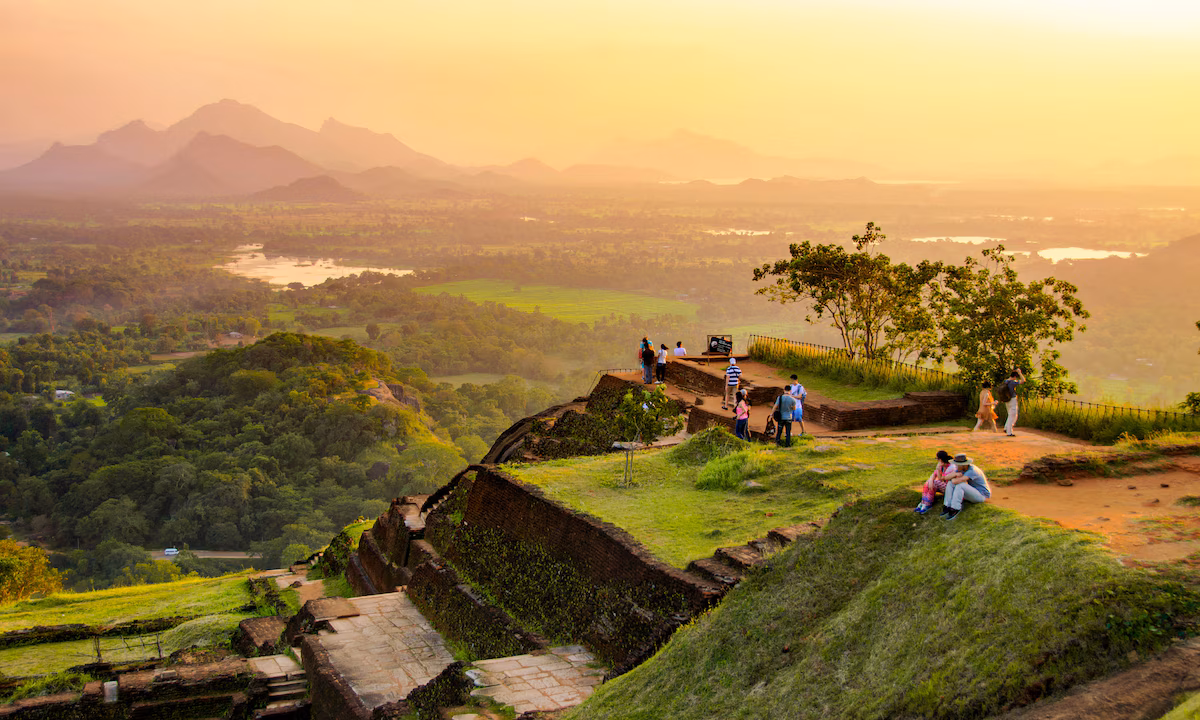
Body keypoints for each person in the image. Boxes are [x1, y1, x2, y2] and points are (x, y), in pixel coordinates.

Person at [941, 453, 991, 520]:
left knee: (960, 485)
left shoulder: (972, 470)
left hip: (982, 496)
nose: (955, 466)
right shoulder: (961, 469)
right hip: (974, 493)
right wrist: (955, 474)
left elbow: (957, 481)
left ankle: (955, 508)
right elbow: (946, 478)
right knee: (950, 483)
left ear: (963, 465)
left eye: (957, 464)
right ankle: (947, 506)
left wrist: (953, 478)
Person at [1002, 369, 1026, 437]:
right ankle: (1009, 432)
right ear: (1015, 377)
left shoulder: (1006, 381)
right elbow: (1023, 380)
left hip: (1007, 400)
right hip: (1012, 399)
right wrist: (1020, 373)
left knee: (1010, 414)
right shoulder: (1013, 382)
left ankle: (1006, 428)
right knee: (1013, 416)